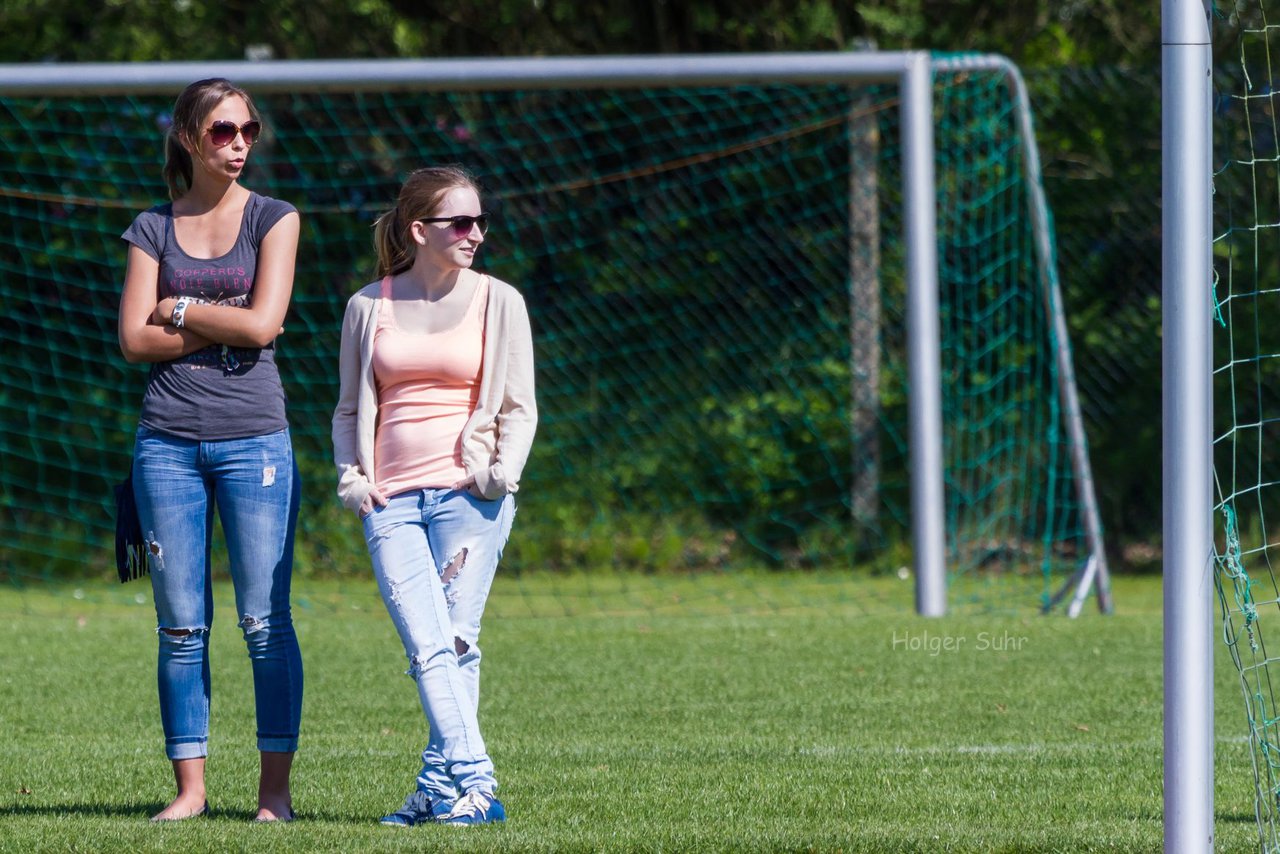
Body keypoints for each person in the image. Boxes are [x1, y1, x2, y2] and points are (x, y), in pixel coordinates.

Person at [117, 78, 303, 823]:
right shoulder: (149, 227)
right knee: (180, 627)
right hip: (165, 445)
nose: (239, 145)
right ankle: (190, 793)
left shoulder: (274, 218)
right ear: (190, 138)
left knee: (264, 622)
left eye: (248, 131)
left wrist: (184, 308)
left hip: (256, 440)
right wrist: (231, 316)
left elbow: (265, 328)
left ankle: (274, 797)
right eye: (224, 132)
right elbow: (135, 339)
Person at [331, 166, 536, 827]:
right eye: (461, 223)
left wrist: (499, 474)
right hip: (390, 503)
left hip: (468, 501)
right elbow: (346, 409)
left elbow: (520, 407)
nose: (476, 233)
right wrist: (351, 479)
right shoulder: (369, 305)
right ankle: (465, 785)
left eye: (480, 221)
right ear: (420, 231)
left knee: (454, 639)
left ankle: (451, 790)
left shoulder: (500, 300)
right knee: (428, 644)